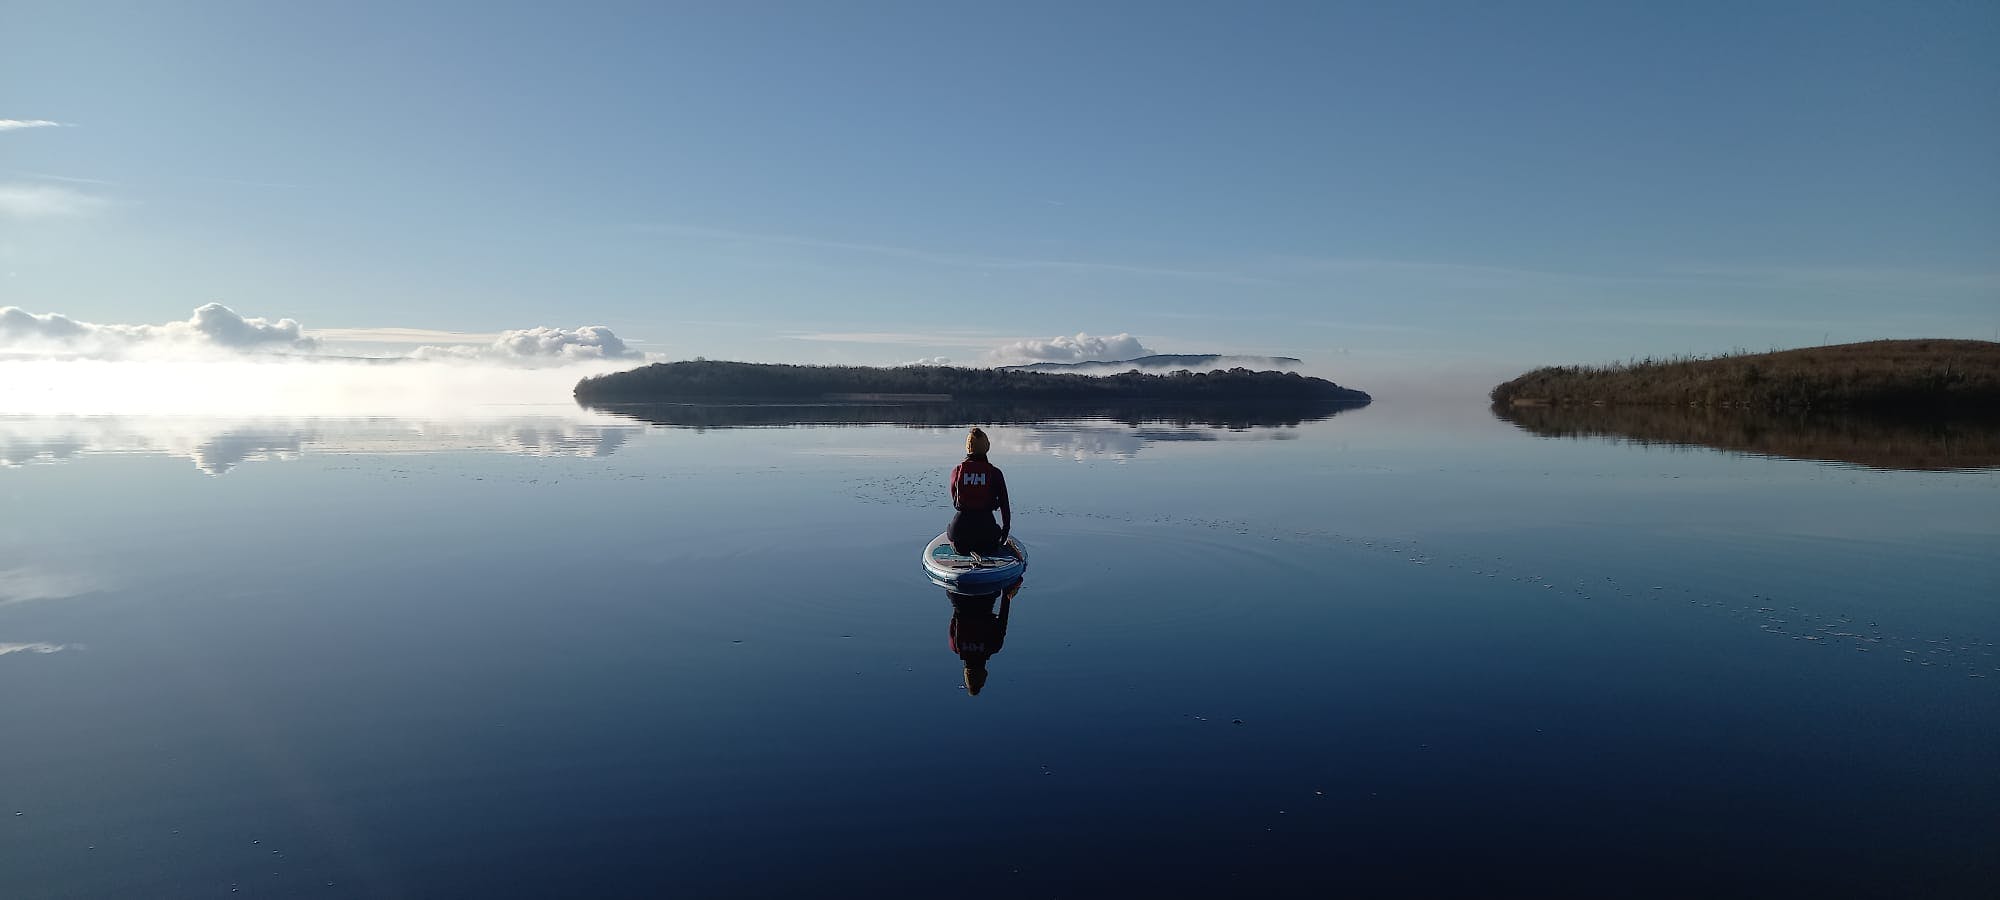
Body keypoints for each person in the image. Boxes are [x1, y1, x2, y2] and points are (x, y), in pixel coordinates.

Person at [947, 427, 1012, 556]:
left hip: (961, 532)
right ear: (986, 447)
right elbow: (1004, 504)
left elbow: (955, 502)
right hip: (987, 534)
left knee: (950, 530)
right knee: (990, 541)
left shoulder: (957, 471)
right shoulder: (995, 473)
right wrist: (1005, 530)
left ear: (967, 448)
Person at [948, 579, 1019, 696]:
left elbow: (1003, 616)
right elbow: (954, 619)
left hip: (986, 595)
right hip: (959, 595)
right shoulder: (955, 647)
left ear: (985, 672)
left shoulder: (994, 647)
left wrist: (1007, 589)